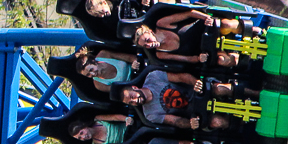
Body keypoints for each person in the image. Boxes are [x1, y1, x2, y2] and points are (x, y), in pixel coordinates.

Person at [114, 70, 248, 130]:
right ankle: (247, 122)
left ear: (134, 88)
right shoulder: (149, 114)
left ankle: (253, 92)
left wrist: (196, 82)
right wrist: (191, 124)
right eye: (131, 102)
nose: (135, 100)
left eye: (132, 96)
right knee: (217, 122)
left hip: (197, 91)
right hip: (195, 112)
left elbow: (181, 77)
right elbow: (175, 120)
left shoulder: (153, 77)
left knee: (219, 89)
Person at [133, 8, 263, 67]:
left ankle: (253, 31)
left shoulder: (162, 24)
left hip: (206, 27)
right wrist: (199, 59)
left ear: (149, 32)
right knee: (224, 60)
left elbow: (190, 13)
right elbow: (187, 59)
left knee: (226, 24)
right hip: (206, 47)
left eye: (147, 40)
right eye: (146, 46)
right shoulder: (161, 54)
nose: (149, 45)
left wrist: (206, 17)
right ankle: (253, 56)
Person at [75, 46, 139, 93]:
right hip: (134, 87)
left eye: (91, 70)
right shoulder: (99, 85)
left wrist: (135, 63)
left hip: (138, 70)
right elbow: (120, 91)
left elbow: (130, 57)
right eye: (88, 75)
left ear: (94, 62)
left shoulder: (104, 55)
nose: (93, 74)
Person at [68, 114, 134, 144]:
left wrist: (126, 119)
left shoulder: (98, 119)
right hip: (129, 142)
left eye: (81, 133)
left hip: (130, 127)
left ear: (84, 126)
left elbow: (114, 117)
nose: (83, 137)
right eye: (80, 138)